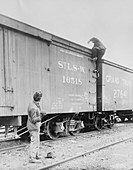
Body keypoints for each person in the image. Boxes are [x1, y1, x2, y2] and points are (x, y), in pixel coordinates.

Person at [27, 91, 46, 163]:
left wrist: (40, 112)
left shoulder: (34, 104)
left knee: (37, 141)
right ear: (39, 98)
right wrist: (41, 116)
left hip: (35, 127)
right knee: (34, 142)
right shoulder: (33, 108)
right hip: (33, 127)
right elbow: (34, 120)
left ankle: (36, 155)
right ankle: (32, 158)